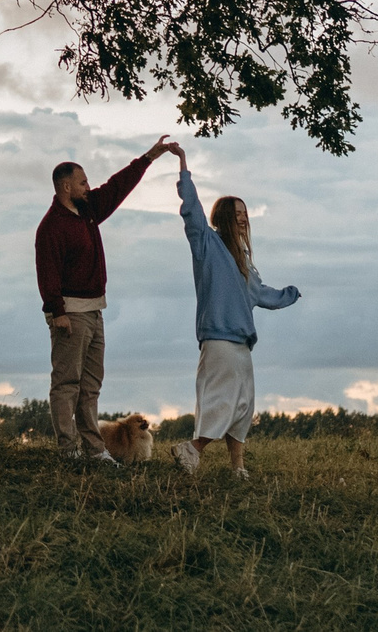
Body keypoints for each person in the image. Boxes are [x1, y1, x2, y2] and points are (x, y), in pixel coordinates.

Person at [35, 136, 182, 462]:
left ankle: (93, 449)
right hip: (70, 314)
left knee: (90, 386)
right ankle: (68, 450)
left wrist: (149, 157)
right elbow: (47, 274)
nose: (89, 186)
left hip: (95, 310)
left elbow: (117, 187)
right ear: (65, 187)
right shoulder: (51, 227)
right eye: (82, 181)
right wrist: (57, 312)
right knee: (66, 384)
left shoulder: (87, 210)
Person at [170, 152, 300, 478]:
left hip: (241, 343)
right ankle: (191, 450)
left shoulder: (243, 259)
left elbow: (260, 293)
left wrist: (289, 295)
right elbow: (192, 212)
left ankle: (238, 468)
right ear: (222, 217)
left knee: (243, 406)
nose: (243, 218)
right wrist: (184, 167)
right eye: (237, 213)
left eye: (245, 213)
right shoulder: (207, 245)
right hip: (219, 338)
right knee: (224, 401)